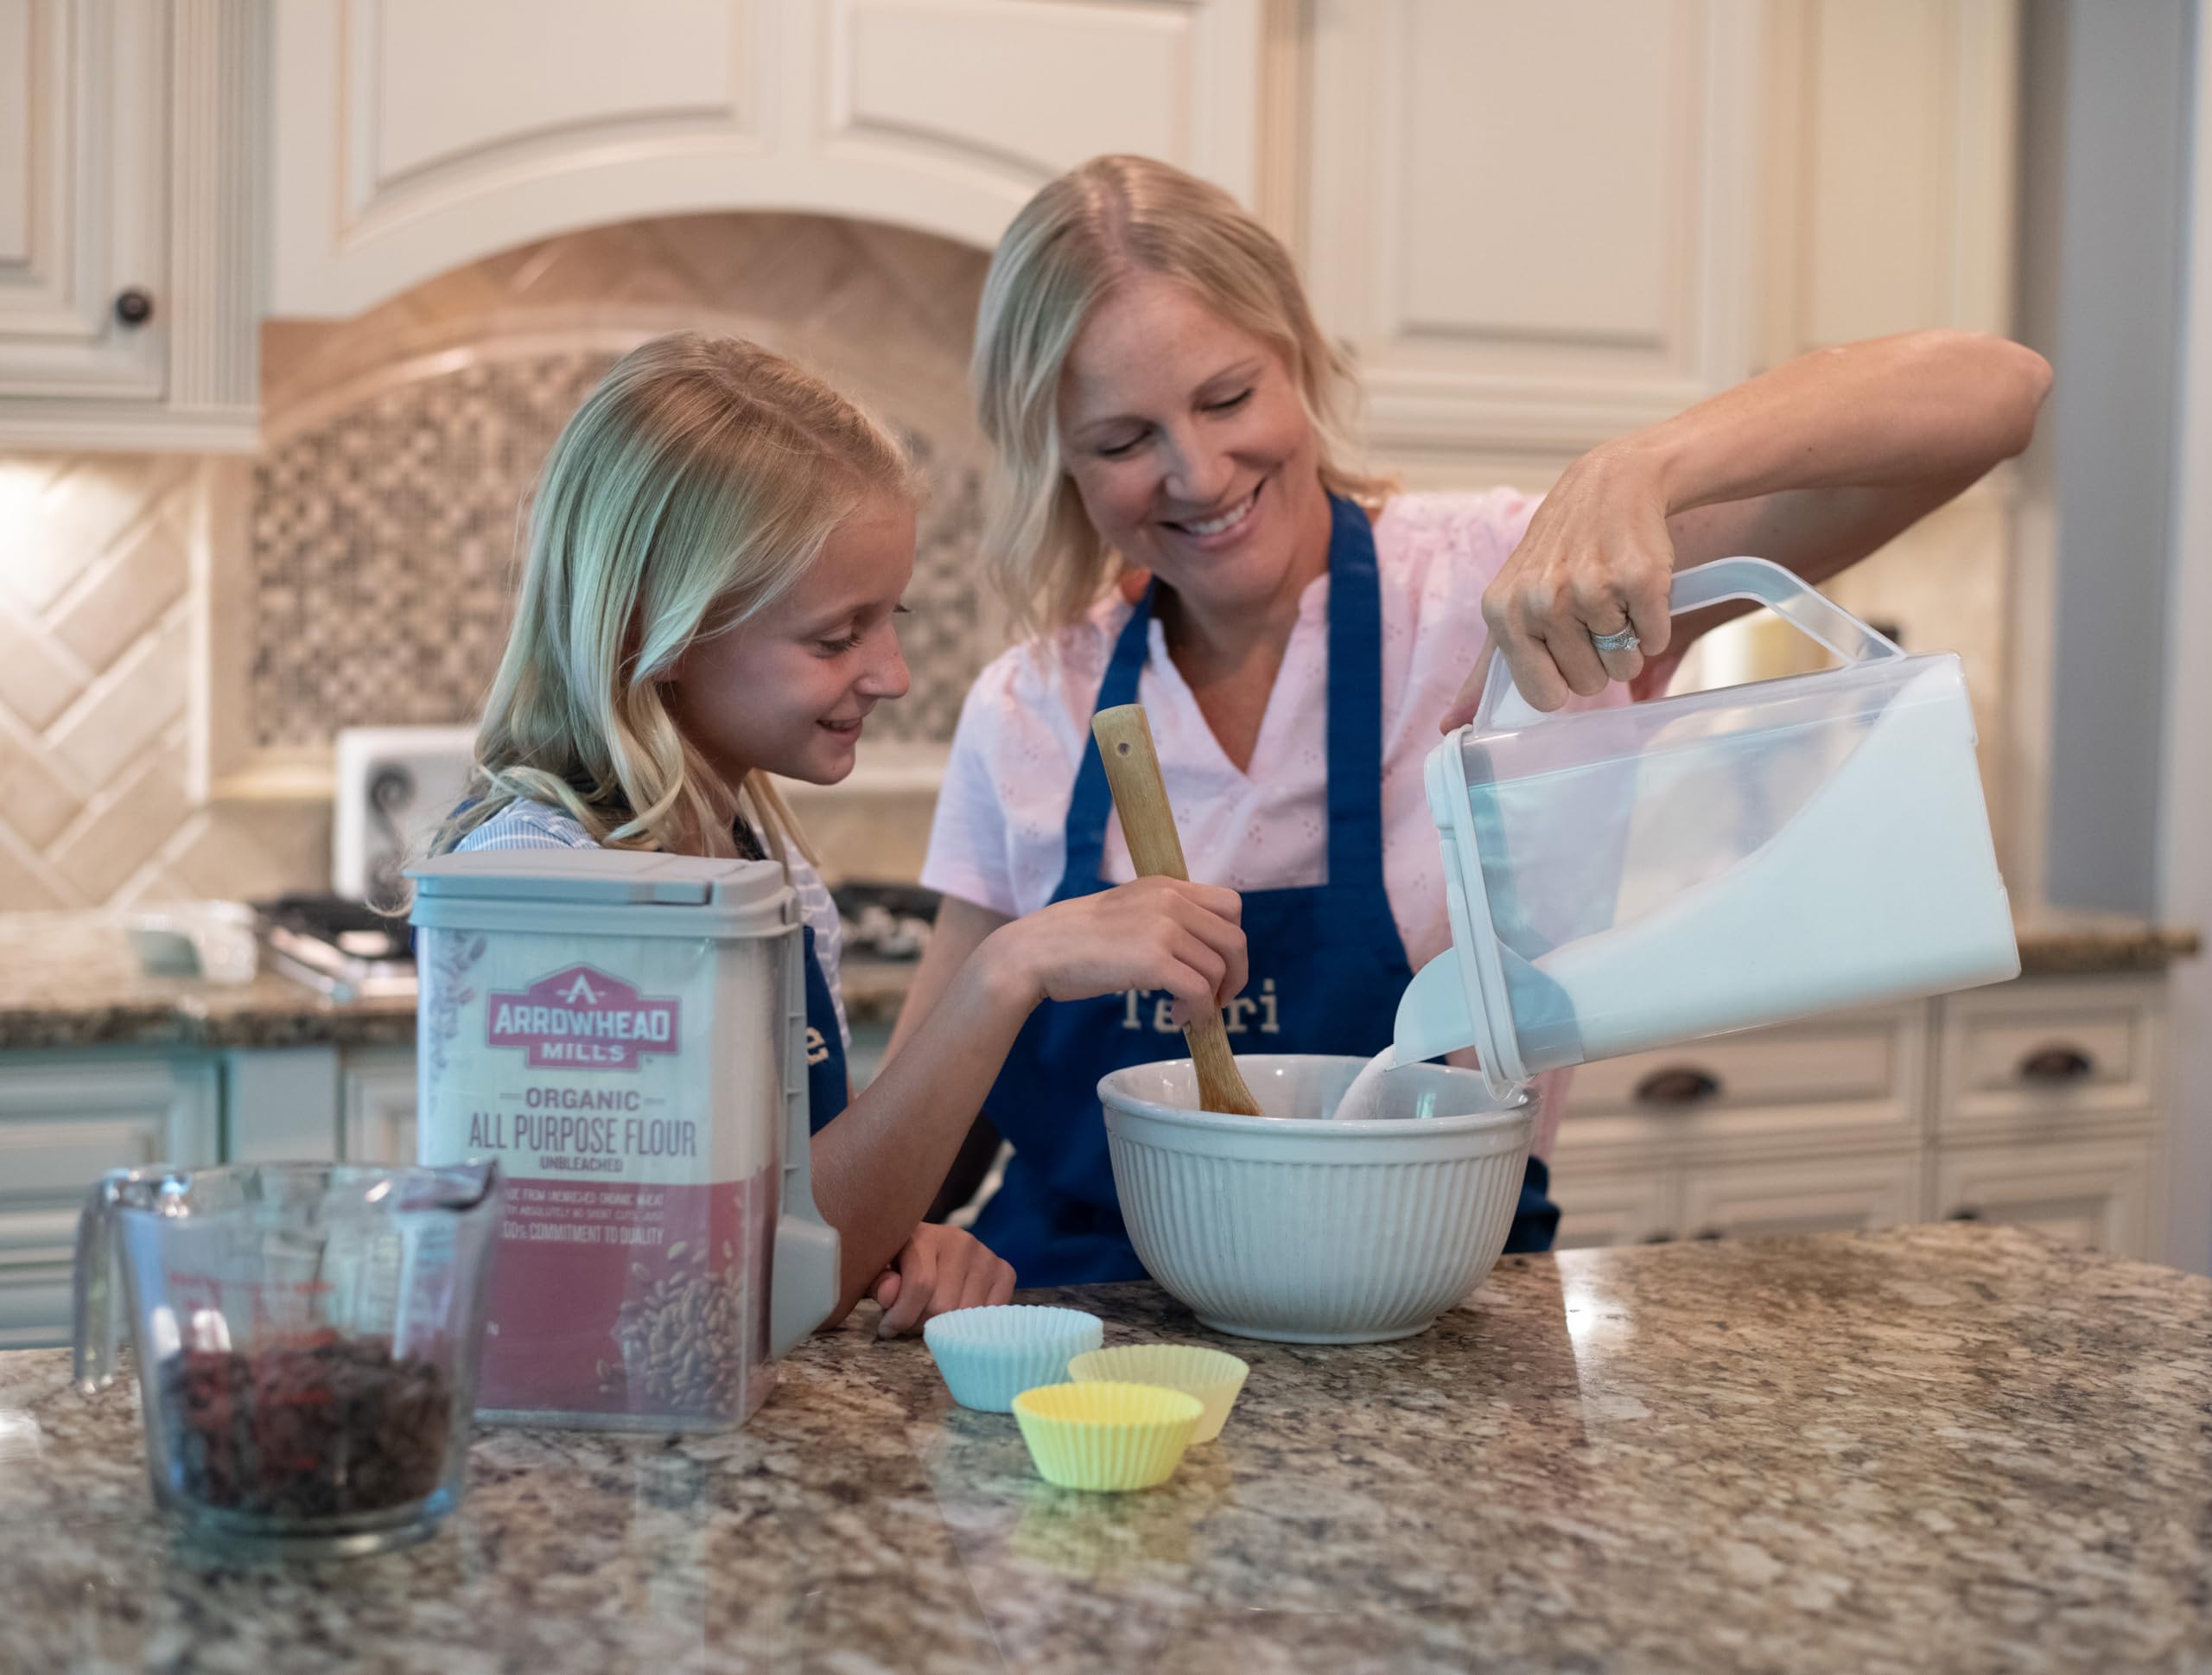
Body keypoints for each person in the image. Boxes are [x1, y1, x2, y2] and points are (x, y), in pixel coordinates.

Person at [898, 154, 2053, 1284]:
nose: (1197, 472)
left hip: (1432, 1311)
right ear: (1060, 461)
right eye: (1122, 440)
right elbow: (923, 1138)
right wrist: (929, 1235)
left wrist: (1645, 467)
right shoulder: (1035, 704)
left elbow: (1996, 391)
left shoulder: (1507, 592)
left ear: (1298, 356)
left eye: (1228, 396)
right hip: (1086, 1336)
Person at [428, 331, 1249, 1333]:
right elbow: (671, 1298)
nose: (892, 673)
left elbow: (794, 1231)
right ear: (656, 631)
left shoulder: (765, 871)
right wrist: (1005, 972)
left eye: (888, 616)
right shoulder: (538, 887)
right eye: (835, 636)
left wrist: (893, 1249)